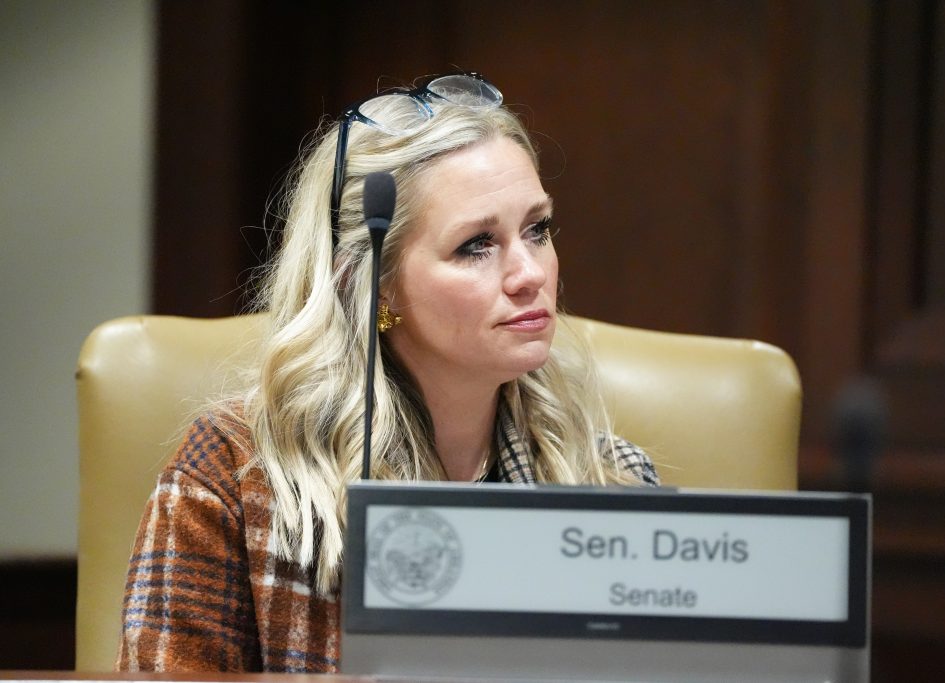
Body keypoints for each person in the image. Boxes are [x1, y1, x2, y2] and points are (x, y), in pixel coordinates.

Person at [116, 72, 659, 673]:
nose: (530, 273)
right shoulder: (231, 480)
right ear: (371, 286)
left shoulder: (613, 482)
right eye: (477, 244)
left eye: (538, 229)